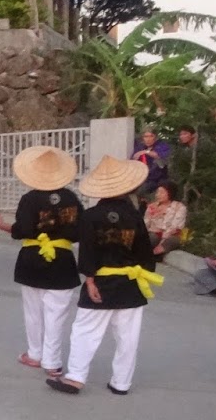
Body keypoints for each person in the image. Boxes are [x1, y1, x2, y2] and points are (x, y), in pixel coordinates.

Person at [47, 156, 161, 397]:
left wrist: (89, 280)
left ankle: (76, 378)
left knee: (85, 331)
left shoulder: (90, 216)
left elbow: (88, 251)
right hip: (130, 284)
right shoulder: (134, 217)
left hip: (100, 282)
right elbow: (145, 254)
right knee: (127, 338)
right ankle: (121, 383)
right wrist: (142, 273)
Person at [0, 145, 82, 376]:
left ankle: (35, 354)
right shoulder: (71, 198)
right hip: (62, 259)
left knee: (33, 311)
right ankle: (52, 361)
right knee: (57, 314)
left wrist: (2, 226)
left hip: (32, 259)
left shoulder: (30, 199)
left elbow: (23, 229)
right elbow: (79, 231)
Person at [143, 181, 187, 260]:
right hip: (154, 233)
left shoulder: (179, 207)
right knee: (152, 237)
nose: (158, 195)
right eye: (157, 192)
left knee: (172, 240)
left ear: (170, 193)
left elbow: (176, 226)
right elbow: (145, 224)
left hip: (171, 235)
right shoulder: (152, 206)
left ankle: (155, 253)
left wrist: (164, 235)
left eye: (162, 192)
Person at [132, 128, 170, 196]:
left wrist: (145, 152)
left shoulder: (161, 145)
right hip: (142, 178)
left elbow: (158, 156)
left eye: (151, 136)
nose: (148, 139)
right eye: (146, 136)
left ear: (155, 137)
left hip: (158, 180)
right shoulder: (140, 147)